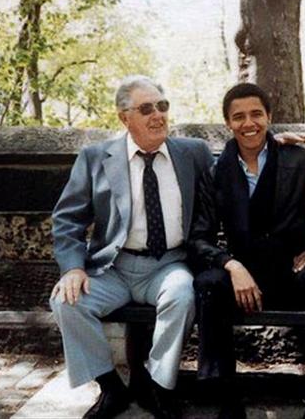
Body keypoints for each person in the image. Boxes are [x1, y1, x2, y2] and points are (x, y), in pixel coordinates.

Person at [49, 75, 214, 419]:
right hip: (115, 267)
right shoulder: (96, 157)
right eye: (146, 109)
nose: (158, 115)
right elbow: (67, 218)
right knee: (66, 301)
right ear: (125, 117)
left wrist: (272, 144)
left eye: (162, 106)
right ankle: (110, 387)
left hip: (169, 264)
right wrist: (73, 268)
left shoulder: (193, 153)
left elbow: (236, 167)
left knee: (182, 295)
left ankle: (159, 387)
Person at [188, 83, 305, 419]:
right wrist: (231, 265)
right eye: (238, 117)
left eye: (256, 114)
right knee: (207, 285)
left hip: (294, 270)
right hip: (245, 277)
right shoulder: (216, 172)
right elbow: (199, 238)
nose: (248, 123)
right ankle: (227, 399)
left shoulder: (298, 160)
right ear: (228, 123)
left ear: (269, 116)